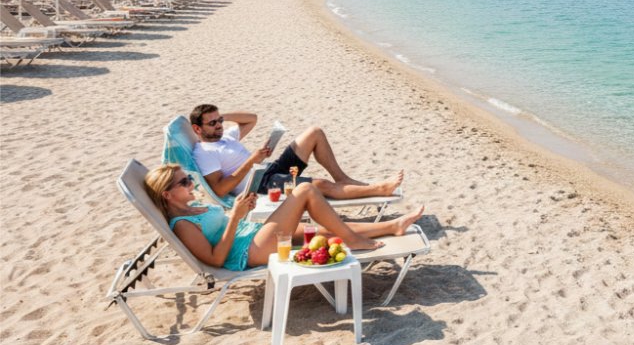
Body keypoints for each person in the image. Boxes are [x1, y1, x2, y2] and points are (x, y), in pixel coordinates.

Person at [144, 163, 424, 270]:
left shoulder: (193, 208)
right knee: (305, 190)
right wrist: (235, 218)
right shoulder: (182, 225)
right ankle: (354, 239)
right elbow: (216, 259)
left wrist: (242, 211)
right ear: (167, 195)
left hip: (252, 235)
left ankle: (394, 225)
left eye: (189, 178)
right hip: (248, 252)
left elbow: (224, 227)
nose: (191, 184)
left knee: (321, 232)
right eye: (184, 182)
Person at [189, 103, 403, 201]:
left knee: (314, 133)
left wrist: (221, 117)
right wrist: (252, 161)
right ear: (197, 129)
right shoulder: (204, 152)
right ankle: (380, 189)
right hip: (259, 185)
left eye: (219, 121)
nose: (219, 125)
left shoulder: (225, 136)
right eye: (212, 123)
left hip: (268, 170)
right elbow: (220, 190)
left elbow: (251, 119)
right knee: (319, 185)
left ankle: (343, 179)